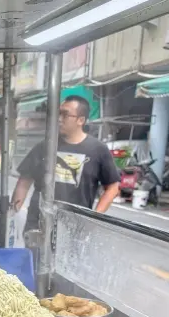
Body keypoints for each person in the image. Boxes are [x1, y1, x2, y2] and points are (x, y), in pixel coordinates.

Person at [11, 95, 120, 233]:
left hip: (75, 228)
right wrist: (12, 213)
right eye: (58, 113)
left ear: (81, 120)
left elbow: (113, 187)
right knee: (35, 254)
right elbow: (24, 182)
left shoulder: (97, 150)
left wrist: (94, 217)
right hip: (39, 225)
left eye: (65, 114)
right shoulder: (45, 146)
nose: (59, 119)